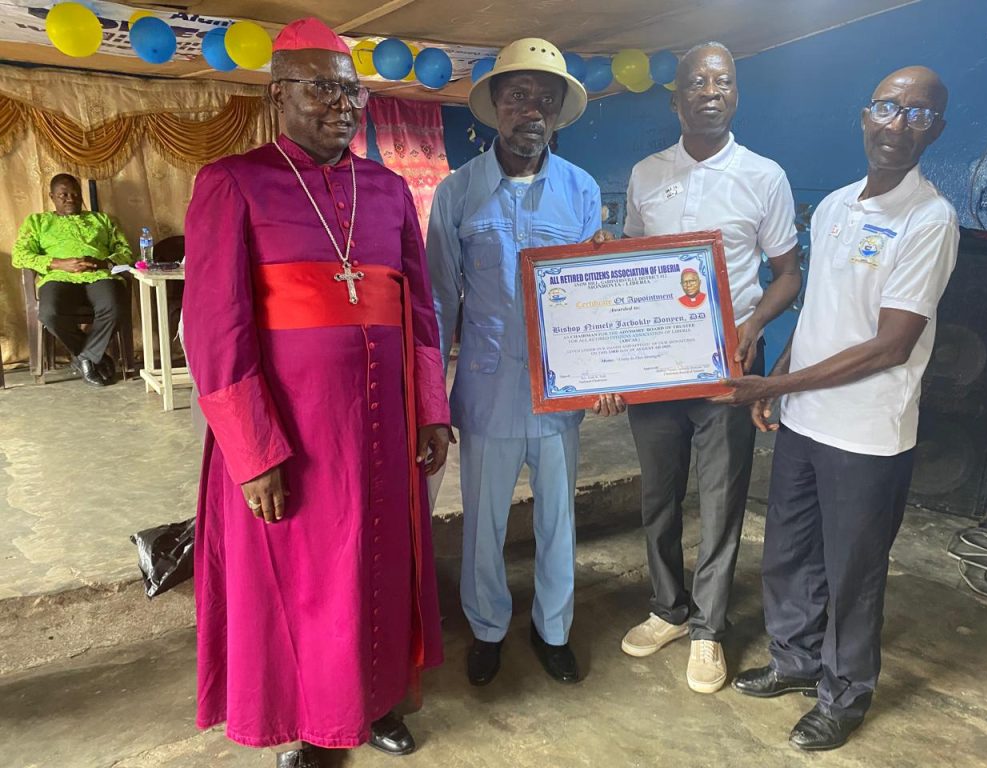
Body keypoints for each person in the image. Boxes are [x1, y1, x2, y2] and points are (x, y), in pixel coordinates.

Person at [181, 18, 451, 767]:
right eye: (322, 89)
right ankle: (310, 723)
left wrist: (432, 409)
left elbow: (420, 310)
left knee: (380, 566)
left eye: (352, 91)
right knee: (305, 584)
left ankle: (378, 698)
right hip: (293, 432)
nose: (342, 105)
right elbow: (214, 329)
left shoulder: (387, 189)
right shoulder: (233, 182)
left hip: (385, 427)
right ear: (278, 96)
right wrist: (252, 452)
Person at [718, 67, 957, 750]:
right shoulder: (833, 206)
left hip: (868, 432)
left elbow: (891, 344)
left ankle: (845, 693)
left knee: (853, 571)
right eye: (887, 107)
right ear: (865, 116)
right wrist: (783, 376)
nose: (898, 124)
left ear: (935, 130)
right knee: (790, 551)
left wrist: (771, 387)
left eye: (917, 114)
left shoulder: (930, 219)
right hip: (805, 419)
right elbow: (821, 307)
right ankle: (795, 661)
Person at [603, 41, 802, 695]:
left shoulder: (764, 176)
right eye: (697, 82)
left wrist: (753, 326)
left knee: (720, 498)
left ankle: (708, 628)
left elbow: (787, 274)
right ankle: (668, 608)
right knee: (658, 495)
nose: (710, 92)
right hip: (656, 366)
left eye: (723, 82)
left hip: (729, 367)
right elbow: (631, 263)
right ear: (677, 97)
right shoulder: (645, 174)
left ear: (735, 95)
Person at [427, 38, 600, 687]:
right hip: (487, 389)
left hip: (561, 391)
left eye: (545, 99)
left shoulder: (581, 191)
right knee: (484, 522)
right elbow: (439, 300)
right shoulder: (458, 192)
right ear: (496, 104)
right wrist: (431, 398)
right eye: (519, 95)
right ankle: (487, 627)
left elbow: (594, 294)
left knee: (559, 518)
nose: (532, 109)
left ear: (557, 112)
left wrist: (604, 375)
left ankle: (553, 629)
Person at [12, 173, 132, 386]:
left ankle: (84, 357)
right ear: (52, 197)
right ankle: (93, 356)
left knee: (115, 307)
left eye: (76, 194)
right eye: (64, 195)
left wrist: (102, 262)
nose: (71, 199)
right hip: (58, 276)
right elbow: (20, 255)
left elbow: (126, 252)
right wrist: (59, 263)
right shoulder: (37, 222)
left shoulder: (102, 220)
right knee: (49, 313)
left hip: (98, 274)